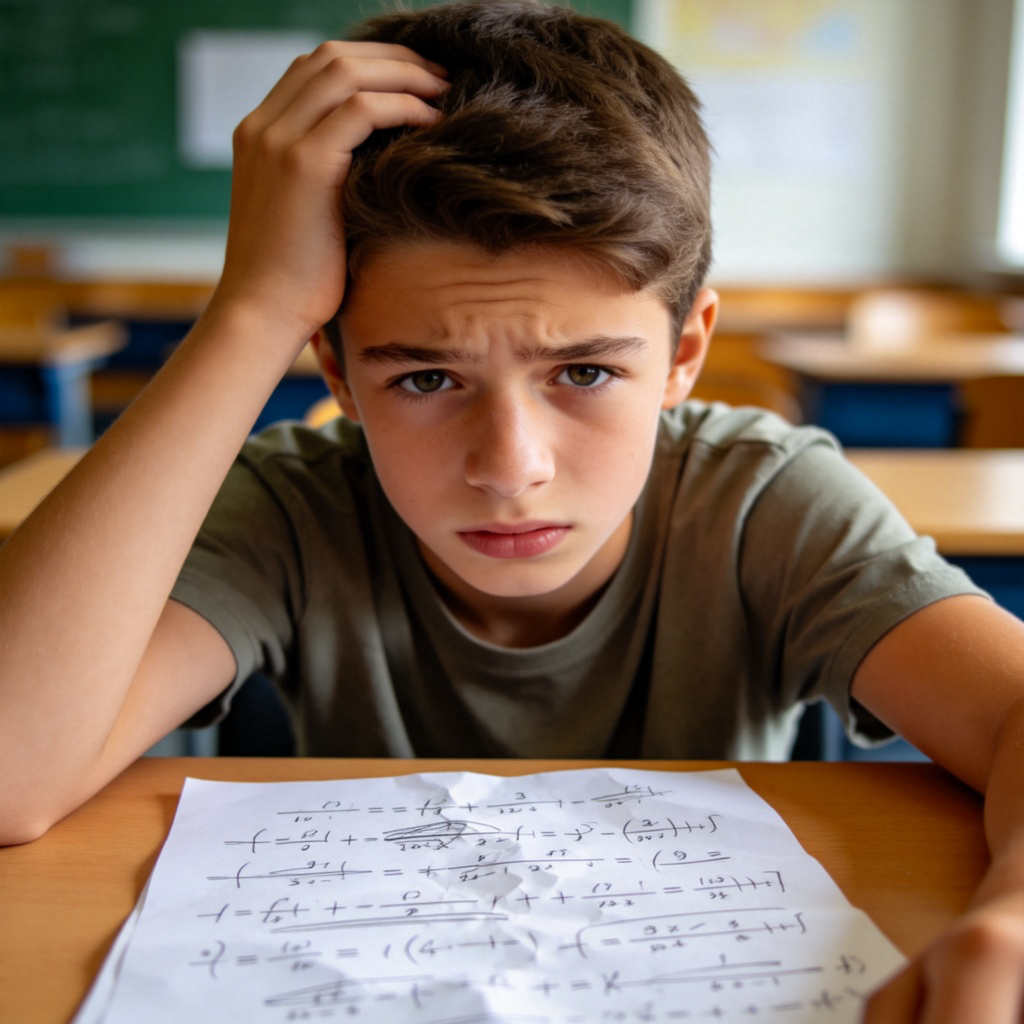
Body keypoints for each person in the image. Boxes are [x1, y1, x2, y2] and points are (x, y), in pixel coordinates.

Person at [1, 0, 1023, 1017]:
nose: (510, 468)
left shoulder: (757, 498)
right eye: (425, 380)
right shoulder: (293, 506)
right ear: (338, 370)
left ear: (683, 354)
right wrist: (253, 307)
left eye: (581, 370)